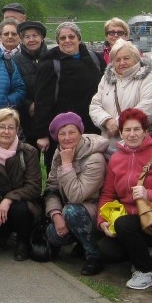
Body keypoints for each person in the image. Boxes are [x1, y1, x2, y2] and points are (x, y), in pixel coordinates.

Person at [97, 108, 152, 290]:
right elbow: (108, 194)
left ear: (146, 132)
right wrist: (102, 220)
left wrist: (150, 194)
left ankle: (147, 270)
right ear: (121, 133)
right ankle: (145, 253)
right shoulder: (115, 159)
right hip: (129, 222)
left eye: (137, 129)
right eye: (127, 130)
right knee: (106, 250)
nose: (132, 134)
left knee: (124, 225)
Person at [44, 112, 109, 275]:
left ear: (80, 132)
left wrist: (66, 165)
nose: (67, 138)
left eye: (72, 132)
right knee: (52, 234)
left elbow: (76, 196)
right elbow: (51, 186)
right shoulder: (60, 151)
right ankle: (80, 242)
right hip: (67, 210)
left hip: (94, 212)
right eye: (62, 133)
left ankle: (93, 256)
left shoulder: (95, 158)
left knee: (72, 211)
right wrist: (56, 215)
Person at [0, 108, 42, 261]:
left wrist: (8, 199)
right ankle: (2, 232)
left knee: (19, 209)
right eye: (1, 127)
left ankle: (23, 242)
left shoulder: (28, 152)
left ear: (17, 130)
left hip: (22, 203)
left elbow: (34, 186)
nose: (6, 132)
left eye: (11, 127)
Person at [32, 22, 102, 160]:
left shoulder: (94, 59)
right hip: (61, 130)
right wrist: (42, 134)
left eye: (71, 36)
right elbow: (42, 101)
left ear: (79, 39)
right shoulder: (49, 64)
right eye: (63, 38)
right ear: (58, 41)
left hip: (90, 126)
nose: (67, 41)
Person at [89, 39, 152, 145]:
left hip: (137, 145)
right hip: (108, 145)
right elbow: (95, 105)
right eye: (117, 60)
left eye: (126, 58)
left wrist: (118, 124)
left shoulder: (149, 79)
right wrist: (106, 121)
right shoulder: (106, 79)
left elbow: (148, 107)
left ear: (136, 58)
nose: (122, 63)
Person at [13, 20, 49, 144]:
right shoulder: (15, 61)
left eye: (35, 36)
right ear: (22, 40)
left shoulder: (51, 57)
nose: (31, 39)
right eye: (27, 37)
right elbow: (14, 87)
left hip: (49, 115)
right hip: (27, 117)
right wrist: (28, 104)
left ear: (42, 38)